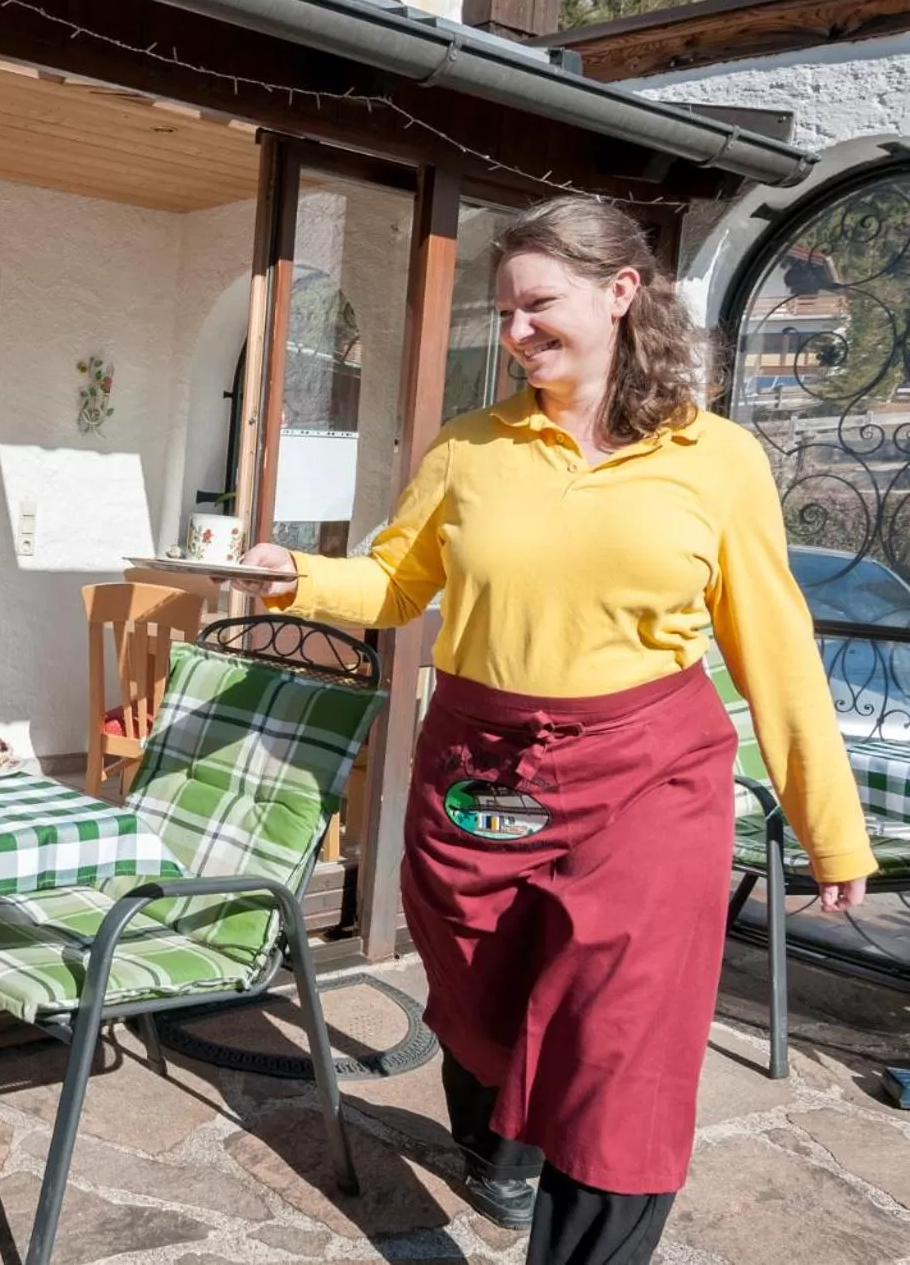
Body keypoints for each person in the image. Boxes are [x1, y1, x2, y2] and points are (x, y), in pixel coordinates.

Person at [236, 197, 877, 1264]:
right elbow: (398, 583)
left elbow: (776, 646)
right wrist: (293, 575)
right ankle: (495, 1138)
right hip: (482, 767)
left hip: (647, 781)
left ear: (622, 294)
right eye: (509, 311)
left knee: (618, 1052)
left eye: (540, 304)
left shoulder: (717, 460)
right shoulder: (470, 449)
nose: (519, 331)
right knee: (480, 1006)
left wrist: (832, 826)